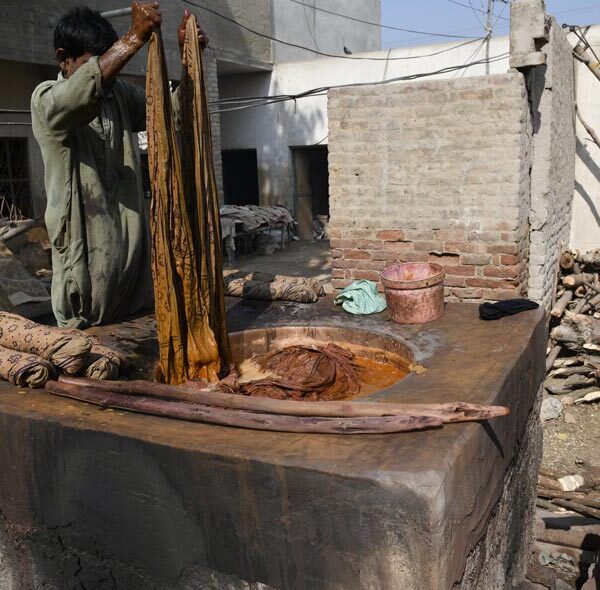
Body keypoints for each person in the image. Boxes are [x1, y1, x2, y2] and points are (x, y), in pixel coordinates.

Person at [31, 2, 208, 328]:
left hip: (138, 289)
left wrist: (189, 60)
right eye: (90, 63)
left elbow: (173, 114)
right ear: (63, 59)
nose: (103, 73)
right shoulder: (47, 100)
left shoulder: (118, 95)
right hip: (86, 303)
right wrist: (133, 38)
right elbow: (79, 95)